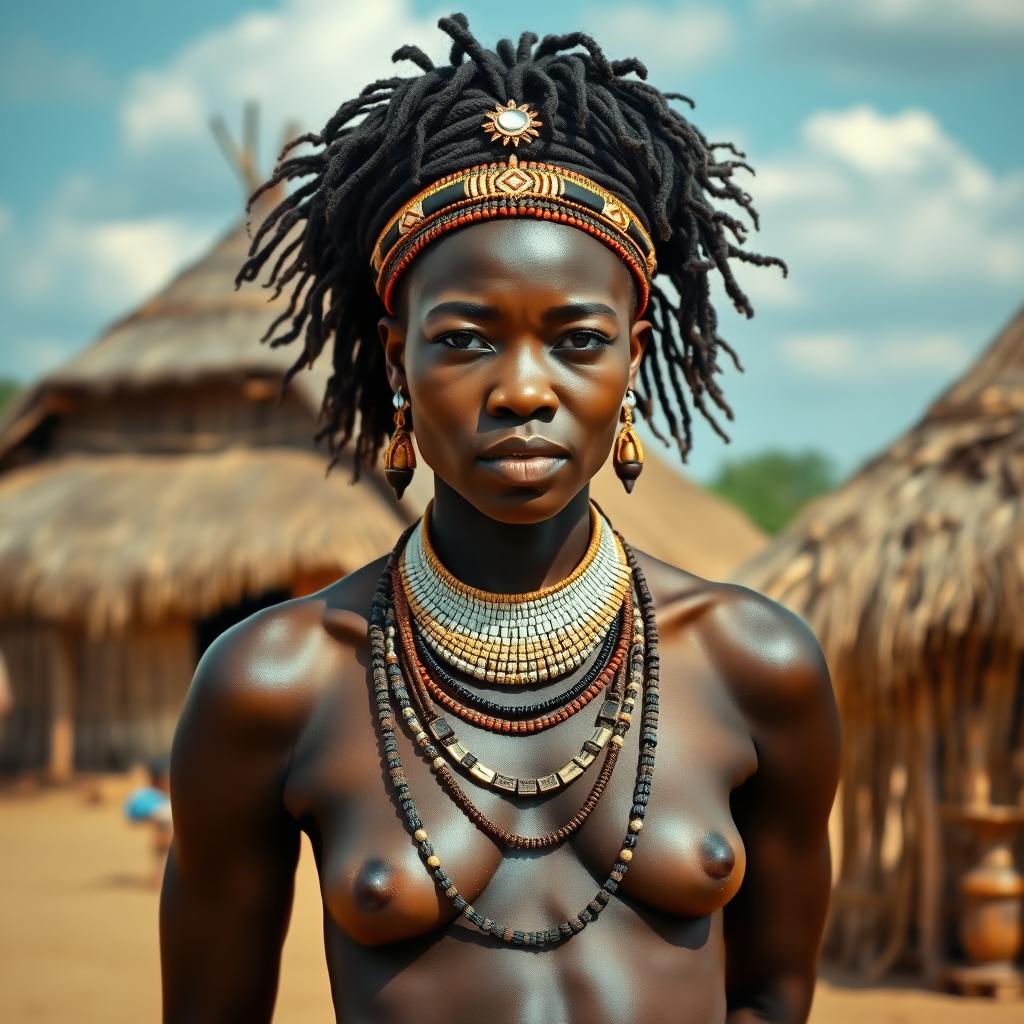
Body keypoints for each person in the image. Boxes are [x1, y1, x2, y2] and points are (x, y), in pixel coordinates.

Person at [160, 14, 840, 1023]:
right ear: (398, 363)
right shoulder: (275, 684)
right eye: (465, 339)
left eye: (576, 339)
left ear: (632, 358)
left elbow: (771, 1001)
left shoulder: (756, 664)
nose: (524, 389)